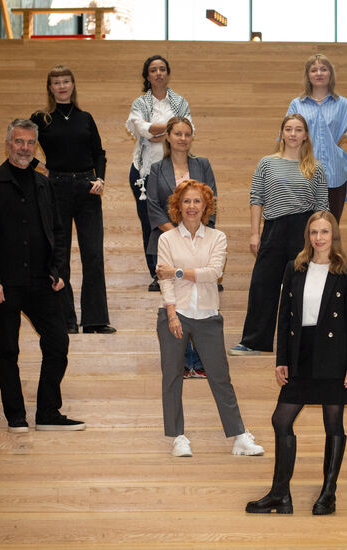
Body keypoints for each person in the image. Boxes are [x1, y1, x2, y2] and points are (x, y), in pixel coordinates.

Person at [0, 118, 85, 433]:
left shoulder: (44, 184)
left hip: (42, 283)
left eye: (30, 143)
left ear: (35, 146)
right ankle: (15, 416)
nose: (24, 148)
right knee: (8, 349)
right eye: (19, 142)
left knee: (58, 342)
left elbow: (58, 231)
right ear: (8, 144)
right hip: (5, 285)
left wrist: (58, 270)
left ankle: (48, 412)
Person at [246, 211, 347, 515]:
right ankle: (280, 494)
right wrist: (281, 359)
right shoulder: (294, 268)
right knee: (281, 420)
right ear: (307, 236)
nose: (318, 238)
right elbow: (284, 317)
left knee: (333, 423)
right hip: (300, 352)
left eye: (324, 232)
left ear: (333, 235)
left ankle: (328, 494)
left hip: (334, 355)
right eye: (313, 232)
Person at [154, 179, 264, 458]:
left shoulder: (218, 238)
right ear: (178, 206)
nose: (192, 207)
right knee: (172, 377)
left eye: (197, 201)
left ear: (206, 206)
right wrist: (171, 313)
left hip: (207, 315)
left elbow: (212, 273)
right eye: (186, 201)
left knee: (220, 377)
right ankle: (178, 437)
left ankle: (239, 436)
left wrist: (177, 271)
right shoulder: (166, 239)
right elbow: (163, 280)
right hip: (174, 314)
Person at [230, 114, 328, 356]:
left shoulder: (315, 167)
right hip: (273, 229)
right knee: (263, 285)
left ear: (306, 135)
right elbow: (257, 199)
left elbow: (321, 206)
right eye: (288, 129)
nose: (293, 134)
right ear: (282, 133)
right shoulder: (267, 163)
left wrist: (318, 238)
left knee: (304, 287)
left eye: (298, 129)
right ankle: (254, 341)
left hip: (303, 231)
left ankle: (304, 343)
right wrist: (255, 233)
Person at [30, 64, 115, 335]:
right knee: (60, 255)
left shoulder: (85, 118)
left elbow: (99, 153)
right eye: (56, 82)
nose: (62, 86)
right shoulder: (41, 119)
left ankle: (95, 320)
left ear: (73, 85)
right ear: (50, 88)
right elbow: (20, 142)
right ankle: (65, 320)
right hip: (55, 188)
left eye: (66, 81)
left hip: (87, 188)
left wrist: (100, 178)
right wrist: (41, 168)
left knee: (93, 254)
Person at [147, 116, 218, 378]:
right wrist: (177, 234)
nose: (182, 139)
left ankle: (198, 361)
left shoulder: (203, 165)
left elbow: (211, 200)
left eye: (187, 134)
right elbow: (153, 206)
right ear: (168, 136)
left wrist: (194, 231)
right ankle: (181, 362)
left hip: (200, 242)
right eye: (177, 133)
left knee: (199, 298)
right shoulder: (157, 168)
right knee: (177, 299)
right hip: (167, 241)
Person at [125, 54, 191, 292]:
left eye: (162, 69)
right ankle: (157, 272)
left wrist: (157, 131)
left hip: (175, 169)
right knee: (150, 225)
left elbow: (186, 129)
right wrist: (171, 127)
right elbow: (142, 129)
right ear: (147, 76)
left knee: (177, 220)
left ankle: (180, 270)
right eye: (153, 70)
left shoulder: (180, 101)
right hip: (144, 173)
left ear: (168, 73)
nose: (158, 73)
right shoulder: (139, 103)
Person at [286, 53, 347, 222]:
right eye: (314, 70)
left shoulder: (341, 104)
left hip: (335, 175)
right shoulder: (297, 104)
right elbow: (285, 136)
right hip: (304, 174)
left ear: (330, 74)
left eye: (323, 69)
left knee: (330, 227)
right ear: (308, 75)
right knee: (303, 229)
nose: (319, 73)